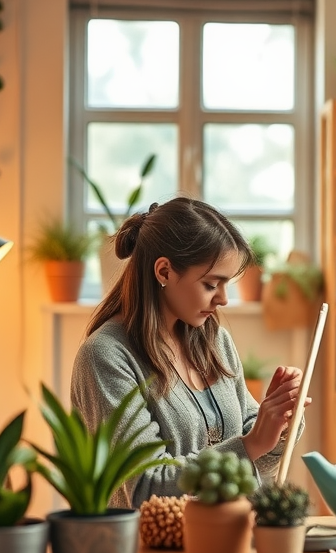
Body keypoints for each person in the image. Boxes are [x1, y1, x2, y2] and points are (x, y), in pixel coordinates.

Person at [71, 196, 306, 509]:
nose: (223, 299)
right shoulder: (106, 357)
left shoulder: (214, 341)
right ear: (165, 272)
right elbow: (143, 488)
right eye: (211, 284)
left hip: (228, 539)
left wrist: (279, 420)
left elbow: (256, 454)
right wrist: (251, 444)